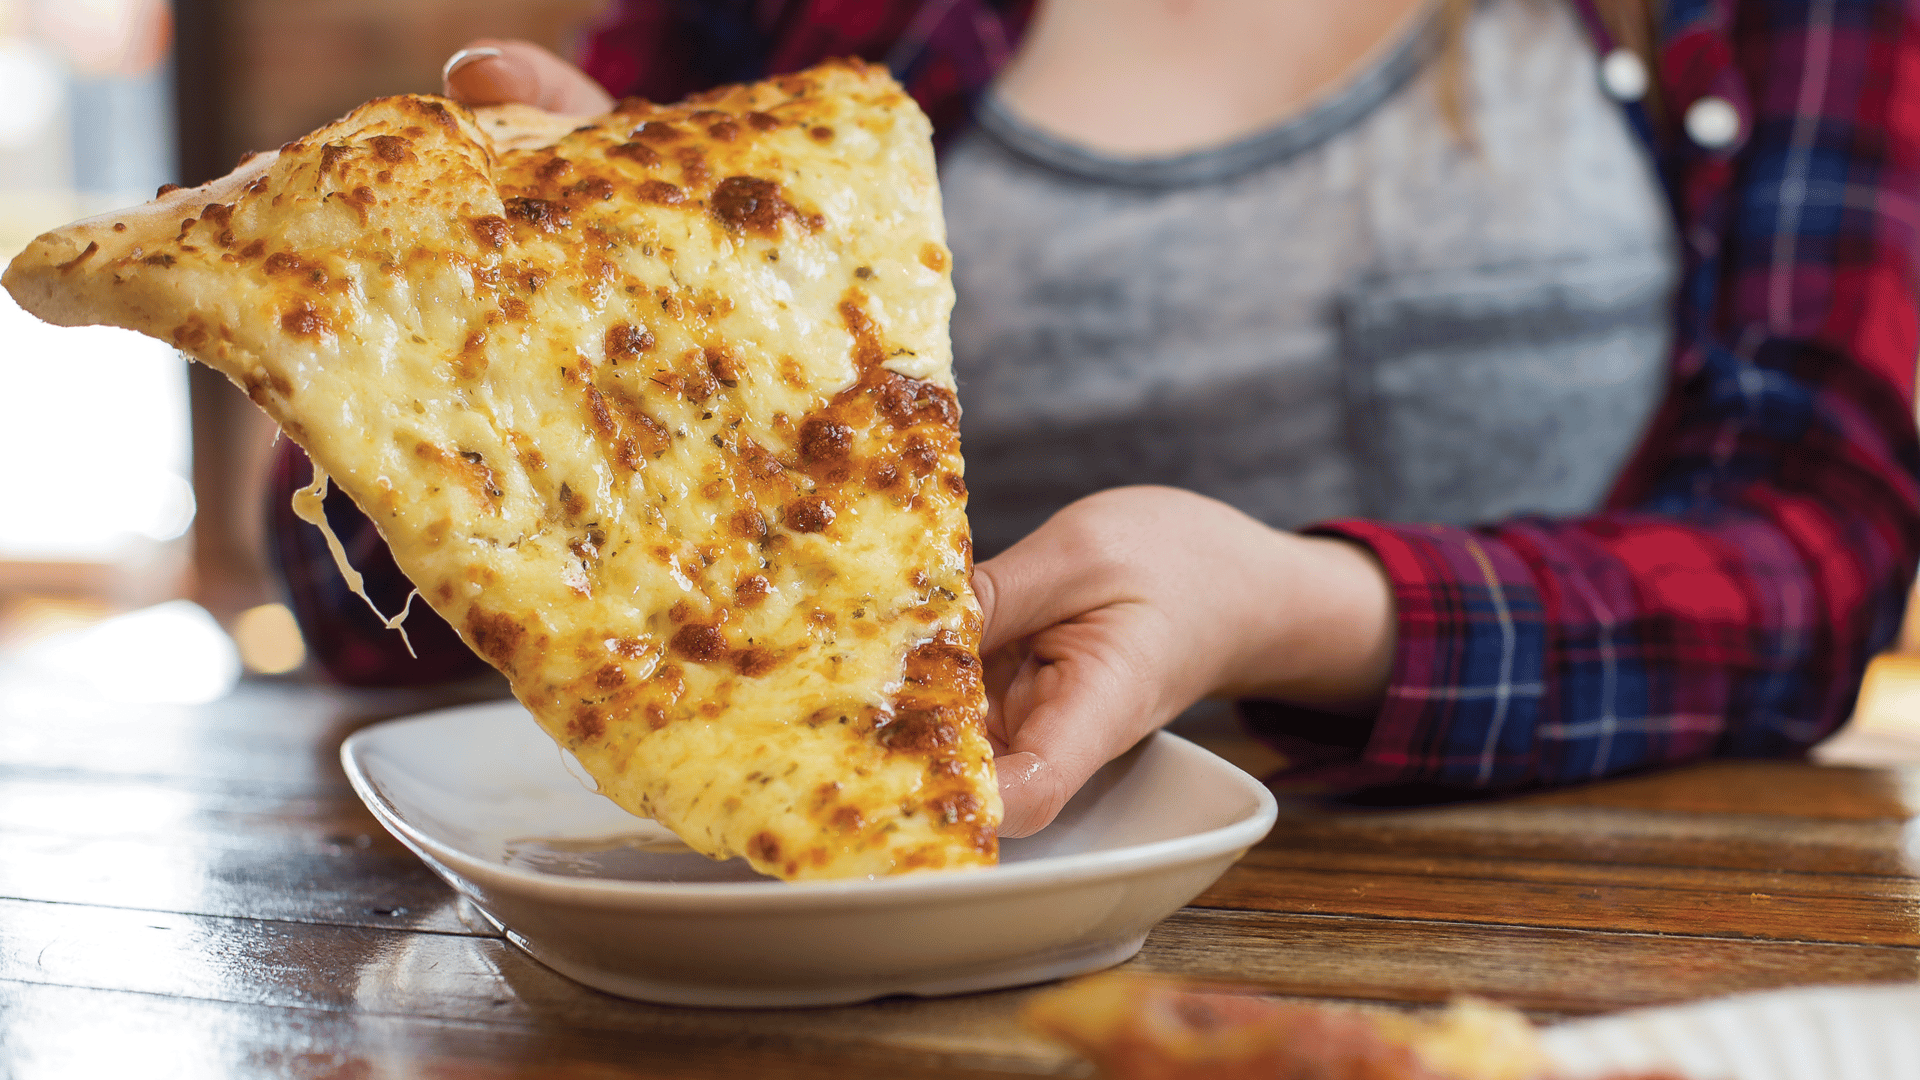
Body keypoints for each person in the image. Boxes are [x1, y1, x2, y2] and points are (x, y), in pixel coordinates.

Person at [270, 0, 1920, 839]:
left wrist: (1288, 609)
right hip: (812, 950)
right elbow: (368, 625)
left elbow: (1814, 557)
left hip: (1588, 954)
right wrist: (525, 369)